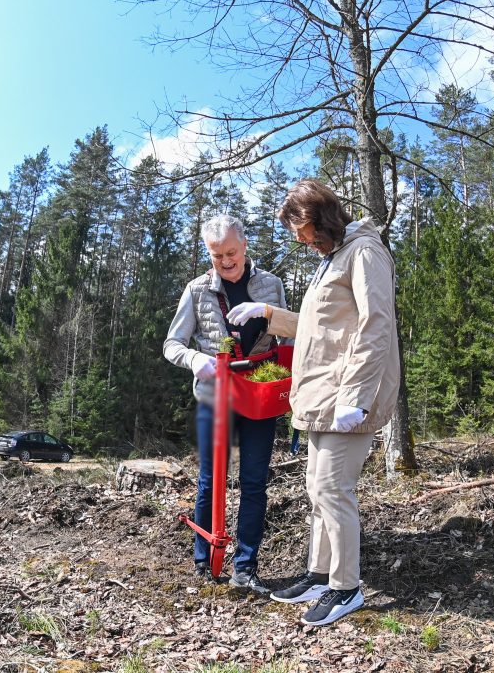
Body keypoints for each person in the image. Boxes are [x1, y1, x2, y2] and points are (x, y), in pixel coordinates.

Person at [226, 179, 399, 626]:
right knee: (316, 488)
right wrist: (267, 314)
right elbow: (319, 327)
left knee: (333, 489)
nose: (301, 240)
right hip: (324, 392)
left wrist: (357, 396)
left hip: (349, 393)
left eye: (303, 230)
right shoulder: (333, 259)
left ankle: (346, 588)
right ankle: (320, 575)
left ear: (323, 217)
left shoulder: (364, 252)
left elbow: (376, 324)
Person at [163, 214, 288, 593]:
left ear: (245, 245)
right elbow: (172, 345)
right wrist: (196, 361)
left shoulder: (271, 285)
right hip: (215, 399)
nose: (226, 261)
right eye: (217, 256)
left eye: (231, 252)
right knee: (209, 481)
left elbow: (287, 336)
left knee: (253, 482)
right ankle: (205, 560)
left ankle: (245, 567)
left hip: (260, 397)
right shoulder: (197, 290)